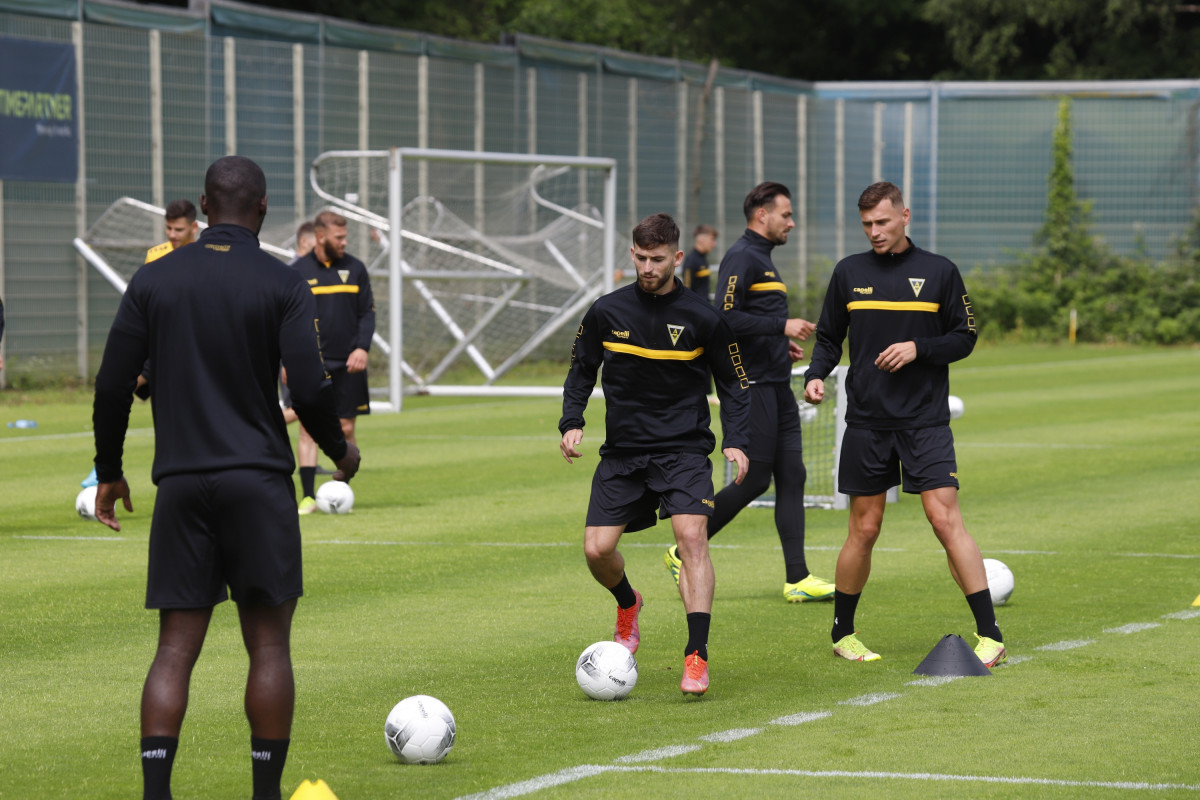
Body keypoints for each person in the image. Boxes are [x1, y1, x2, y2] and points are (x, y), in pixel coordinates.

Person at [90, 155, 361, 800]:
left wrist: (110, 471)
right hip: (258, 482)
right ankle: (264, 794)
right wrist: (339, 451)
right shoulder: (281, 282)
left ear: (205, 207)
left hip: (181, 484)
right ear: (263, 208)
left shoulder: (154, 279)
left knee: (174, 648)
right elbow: (308, 385)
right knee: (268, 646)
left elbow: (111, 385)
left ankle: (157, 794)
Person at [803, 181, 1004, 667]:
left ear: (905, 216)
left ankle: (991, 635)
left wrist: (919, 348)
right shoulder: (848, 272)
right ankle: (843, 633)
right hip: (867, 421)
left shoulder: (939, 272)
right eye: (867, 224)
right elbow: (829, 337)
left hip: (924, 421)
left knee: (944, 519)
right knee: (864, 528)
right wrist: (815, 375)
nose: (875, 231)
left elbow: (965, 336)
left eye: (883, 222)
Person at [560, 212, 750, 696]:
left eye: (658, 259)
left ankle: (696, 655)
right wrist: (572, 421)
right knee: (597, 550)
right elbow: (581, 368)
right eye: (641, 258)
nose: (648, 267)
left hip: (683, 450)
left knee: (692, 539)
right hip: (623, 453)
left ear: (677, 257)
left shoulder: (704, 317)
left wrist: (737, 439)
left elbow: (734, 383)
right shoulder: (607, 311)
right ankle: (629, 603)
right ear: (632, 254)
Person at [665, 182, 835, 604]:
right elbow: (722, 317)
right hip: (753, 384)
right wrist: (780, 326)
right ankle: (682, 550)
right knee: (754, 478)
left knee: (792, 474)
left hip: (777, 383)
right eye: (786, 215)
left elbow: (751, 320)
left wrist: (779, 342)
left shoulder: (763, 258)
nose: (791, 223)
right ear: (762, 214)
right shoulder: (742, 255)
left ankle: (797, 578)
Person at [291, 211, 375, 513]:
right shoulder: (298, 271)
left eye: (345, 237)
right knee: (307, 427)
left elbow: (367, 313)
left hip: (349, 363)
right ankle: (308, 497)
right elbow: (288, 320)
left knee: (346, 427)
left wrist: (362, 348)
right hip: (312, 363)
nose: (344, 242)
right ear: (321, 237)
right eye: (339, 237)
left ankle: (341, 492)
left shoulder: (356, 268)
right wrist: (288, 360)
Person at [144, 199, 199, 264]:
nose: (172, 235)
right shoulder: (155, 256)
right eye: (169, 228)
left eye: (179, 230)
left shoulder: (204, 256)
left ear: (194, 227)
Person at [681, 224, 717, 302]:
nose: (714, 244)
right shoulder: (691, 260)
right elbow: (687, 290)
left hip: (705, 306)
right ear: (700, 239)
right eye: (712, 239)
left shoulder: (703, 258)